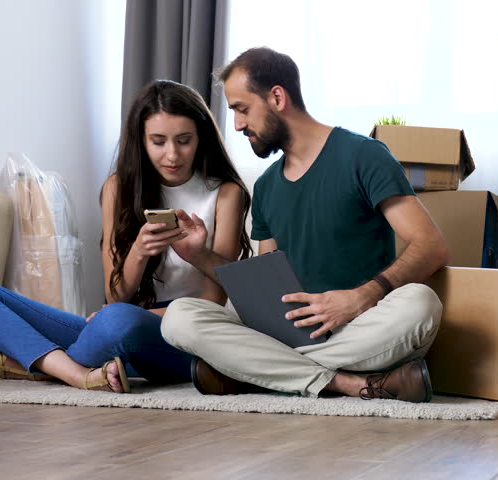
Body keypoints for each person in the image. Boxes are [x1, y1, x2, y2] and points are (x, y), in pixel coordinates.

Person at [161, 47, 449, 403]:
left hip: (357, 326)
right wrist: (198, 255)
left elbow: (431, 245)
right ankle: (343, 382)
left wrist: (362, 297)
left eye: (242, 109)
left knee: (421, 303)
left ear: (277, 97)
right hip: (289, 332)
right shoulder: (266, 186)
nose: (236, 124)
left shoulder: (364, 155)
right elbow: (264, 283)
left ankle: (255, 373)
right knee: (179, 317)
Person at [0, 80, 251, 394]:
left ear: (201, 138)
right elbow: (116, 295)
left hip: (184, 334)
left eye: (184, 140)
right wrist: (139, 252)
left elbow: (212, 302)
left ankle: (48, 369)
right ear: (141, 141)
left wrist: (195, 254)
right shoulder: (118, 188)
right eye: (158, 141)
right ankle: (79, 371)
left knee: (116, 321)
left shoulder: (226, 193)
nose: (172, 154)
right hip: (119, 324)